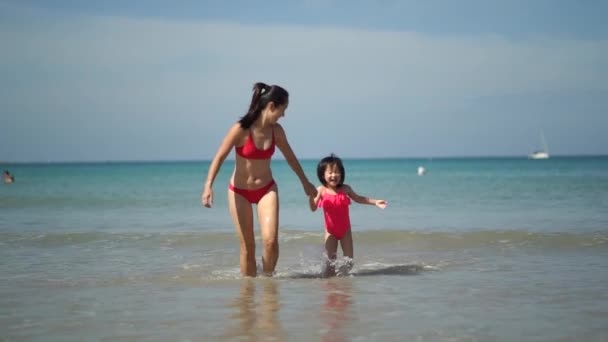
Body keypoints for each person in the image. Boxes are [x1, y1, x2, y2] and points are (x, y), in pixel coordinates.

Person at [202, 82, 317, 277]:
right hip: (239, 192)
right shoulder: (241, 129)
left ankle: (268, 284)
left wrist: (305, 183)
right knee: (248, 247)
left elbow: (291, 157)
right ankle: (247, 294)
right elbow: (219, 156)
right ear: (271, 106)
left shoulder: (277, 132)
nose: (284, 115)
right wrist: (208, 186)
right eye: (283, 109)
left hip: (266, 189)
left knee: (271, 242)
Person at [309, 154, 387, 276]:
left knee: (349, 262)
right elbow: (313, 208)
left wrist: (375, 202)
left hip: (345, 231)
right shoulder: (321, 190)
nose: (334, 175)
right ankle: (329, 285)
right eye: (330, 172)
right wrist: (311, 196)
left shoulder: (346, 189)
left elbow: (359, 199)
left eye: (337, 172)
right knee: (329, 265)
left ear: (342, 174)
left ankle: (342, 282)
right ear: (322, 175)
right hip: (330, 232)